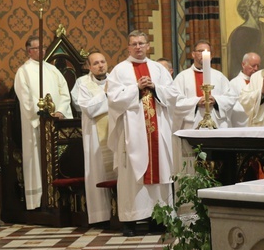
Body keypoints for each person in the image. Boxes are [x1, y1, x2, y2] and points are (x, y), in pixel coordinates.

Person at [107, 30, 179, 236]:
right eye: (134, 44)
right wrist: (136, 88)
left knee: (161, 173)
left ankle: (160, 218)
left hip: (157, 133)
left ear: (148, 46)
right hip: (132, 133)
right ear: (128, 47)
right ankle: (131, 220)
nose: (138, 47)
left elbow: (173, 94)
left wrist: (155, 87)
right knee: (131, 177)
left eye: (141, 43)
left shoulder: (158, 69)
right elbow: (113, 99)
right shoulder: (119, 71)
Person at [14, 35, 73, 210]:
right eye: (37, 48)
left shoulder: (52, 70)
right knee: (37, 159)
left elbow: (64, 93)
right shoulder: (23, 72)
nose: (42, 51)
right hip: (37, 124)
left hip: (56, 122)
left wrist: (60, 111)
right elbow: (25, 99)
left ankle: (59, 197)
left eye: (44, 47)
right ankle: (39, 201)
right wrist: (42, 114)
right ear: (29, 50)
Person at [172, 40, 237, 170]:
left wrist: (216, 100)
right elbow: (175, 102)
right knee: (192, 166)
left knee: (217, 165)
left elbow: (231, 98)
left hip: (215, 126)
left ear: (211, 56)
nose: (203, 54)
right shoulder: (182, 77)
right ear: (193, 54)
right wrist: (196, 102)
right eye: (200, 51)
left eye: (207, 51)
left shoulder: (219, 77)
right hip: (192, 126)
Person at [75, 51, 114, 224]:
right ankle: (101, 216)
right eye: (96, 63)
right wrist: (105, 94)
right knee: (97, 171)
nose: (100, 65)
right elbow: (88, 109)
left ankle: (122, 213)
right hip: (95, 137)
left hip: (116, 132)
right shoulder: (82, 83)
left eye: (103, 61)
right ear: (89, 67)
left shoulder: (116, 80)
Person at [227, 0, 264, 78]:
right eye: (257, 4)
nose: (262, 6)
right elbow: (243, 64)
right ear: (248, 9)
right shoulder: (240, 34)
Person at [229, 52, 260, 127]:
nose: (256, 69)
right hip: (243, 124)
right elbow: (233, 107)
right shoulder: (234, 83)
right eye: (253, 66)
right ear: (243, 64)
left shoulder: (260, 81)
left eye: (258, 66)